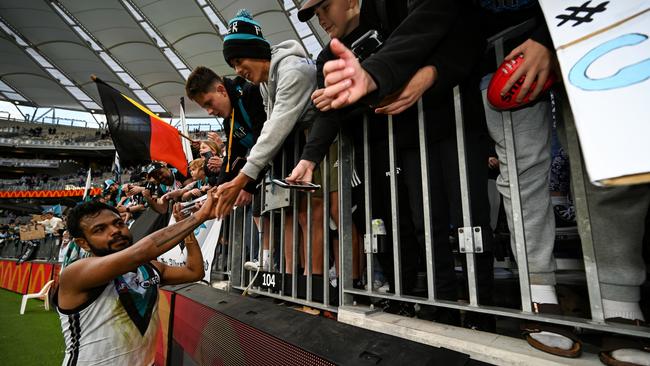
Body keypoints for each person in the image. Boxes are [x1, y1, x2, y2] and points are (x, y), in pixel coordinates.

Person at [214, 10, 326, 275]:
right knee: (297, 215)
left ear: (255, 51)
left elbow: (275, 129)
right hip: (305, 147)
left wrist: (242, 180)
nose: (238, 71)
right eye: (233, 66)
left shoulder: (292, 71)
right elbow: (270, 129)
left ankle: (319, 288)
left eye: (239, 61)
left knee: (317, 215)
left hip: (323, 144)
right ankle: (295, 280)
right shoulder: (266, 83)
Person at [54, 193, 216, 365]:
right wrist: (199, 217)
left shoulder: (148, 268)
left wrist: (188, 231)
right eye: (100, 229)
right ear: (83, 243)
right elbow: (140, 253)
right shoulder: (76, 273)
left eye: (118, 223)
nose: (115, 230)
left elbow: (194, 272)